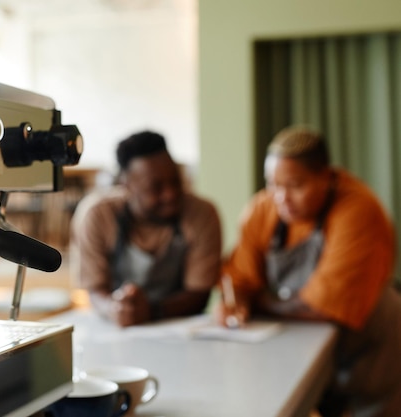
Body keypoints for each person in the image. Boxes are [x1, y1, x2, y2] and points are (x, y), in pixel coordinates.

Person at [218, 125, 401, 416]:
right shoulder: (262, 209)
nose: (281, 198)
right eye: (272, 184)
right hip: (309, 347)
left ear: (326, 178)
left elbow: (323, 308)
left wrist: (260, 302)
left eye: (295, 185)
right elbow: (239, 279)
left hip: (369, 347)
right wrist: (237, 300)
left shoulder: (359, 210)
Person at [70, 130, 222, 327]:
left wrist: (151, 311)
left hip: (178, 328)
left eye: (175, 181)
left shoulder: (201, 214)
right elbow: (95, 290)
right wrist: (115, 309)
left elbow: (199, 294)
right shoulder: (97, 216)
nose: (170, 194)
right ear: (127, 186)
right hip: (116, 331)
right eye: (156, 188)